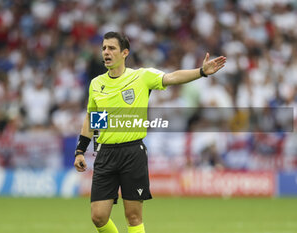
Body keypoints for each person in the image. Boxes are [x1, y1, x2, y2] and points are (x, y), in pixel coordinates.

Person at [74, 31, 226, 233]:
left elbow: (171, 77)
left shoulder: (141, 77)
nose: (106, 52)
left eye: (111, 48)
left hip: (132, 153)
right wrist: (80, 151)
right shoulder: (97, 84)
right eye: (103, 48)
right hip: (105, 154)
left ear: (124, 52)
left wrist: (201, 71)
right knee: (98, 217)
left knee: (134, 217)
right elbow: (91, 118)